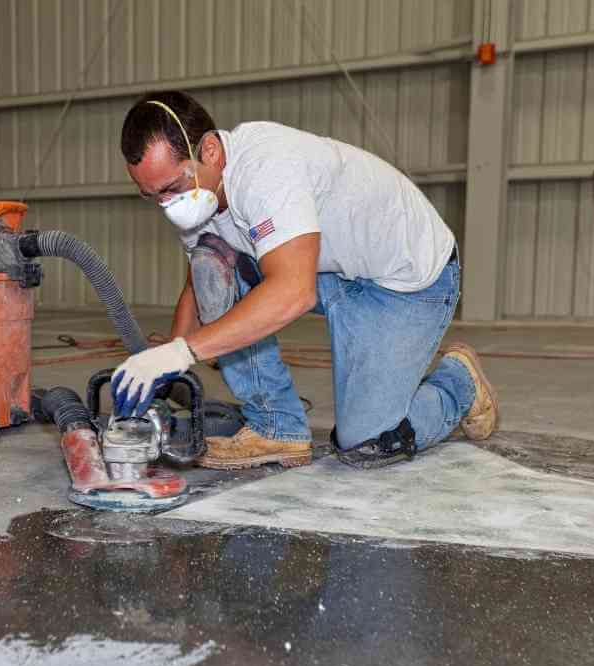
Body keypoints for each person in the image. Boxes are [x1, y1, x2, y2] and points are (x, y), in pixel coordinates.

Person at [110, 91, 498, 470]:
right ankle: (276, 427)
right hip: (330, 270)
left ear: (209, 150)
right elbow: (201, 284)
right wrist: (166, 368)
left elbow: (293, 292)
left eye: (171, 188)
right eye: (152, 196)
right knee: (212, 262)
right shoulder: (198, 196)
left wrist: (182, 352)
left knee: (365, 441)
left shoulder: (265, 168)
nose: (167, 205)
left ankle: (459, 382)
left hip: (405, 281)